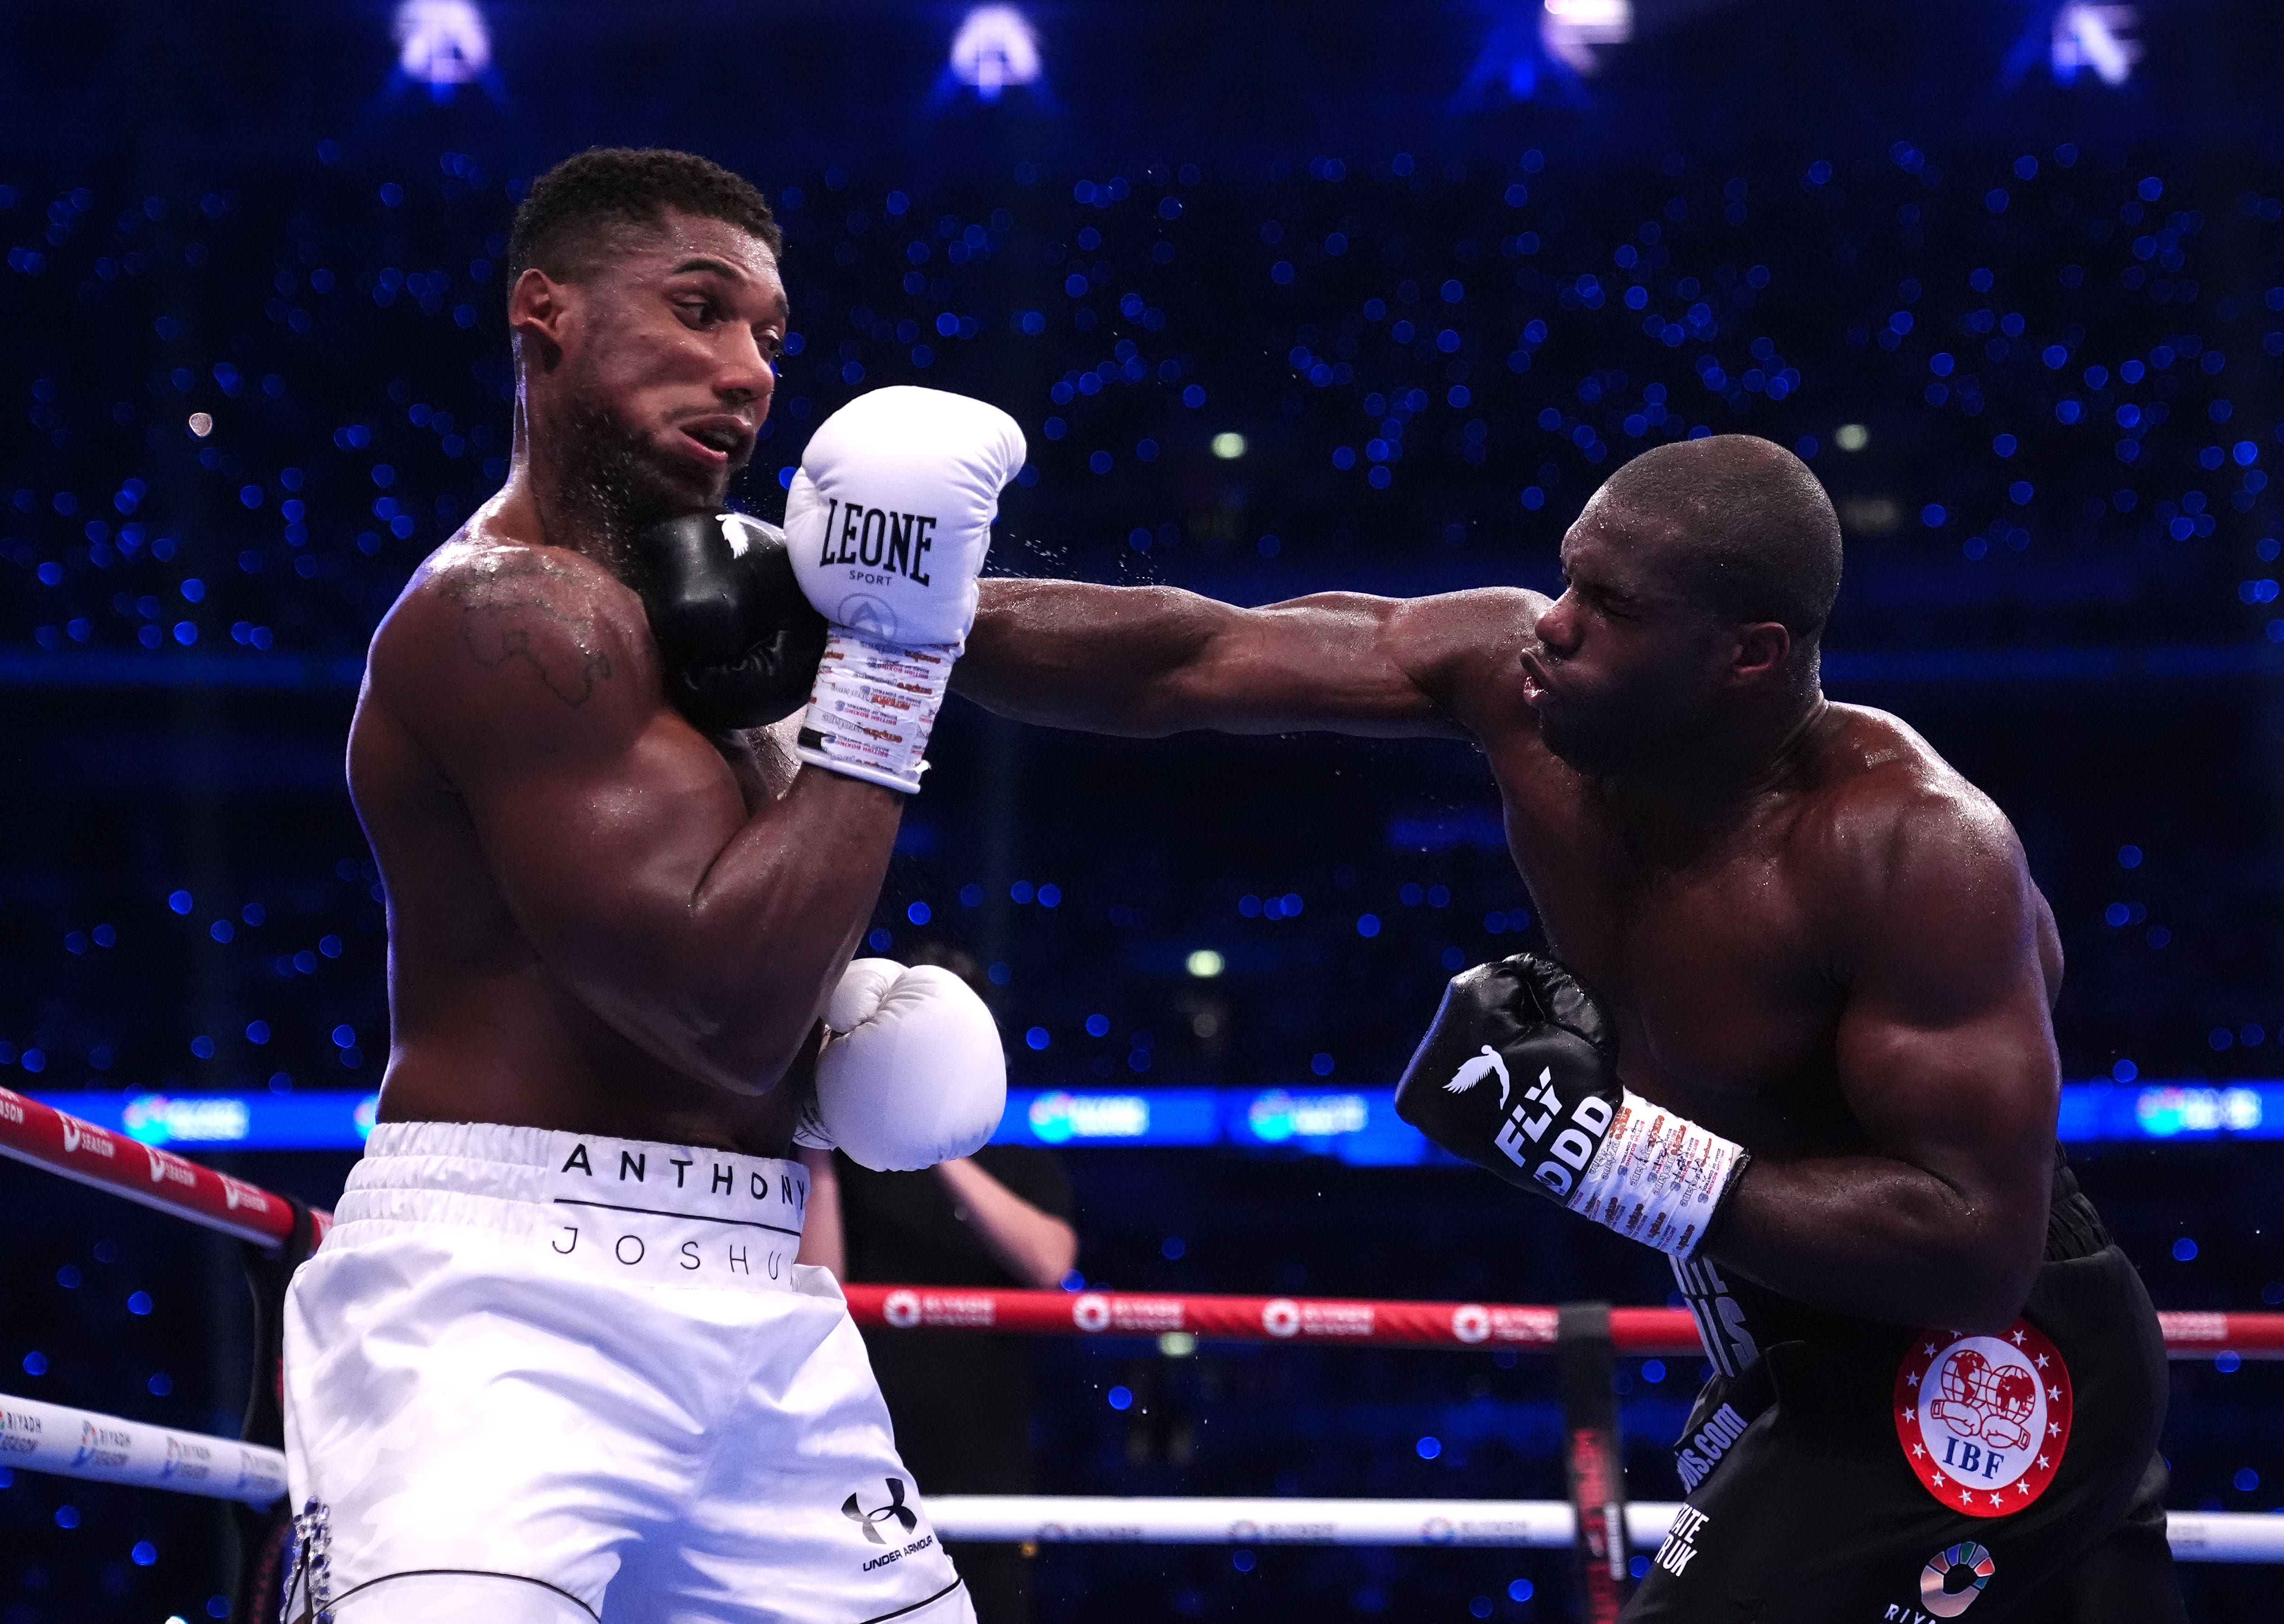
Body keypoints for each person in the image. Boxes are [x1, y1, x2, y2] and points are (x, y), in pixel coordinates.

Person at [952, 434, 2183, 1623]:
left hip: (1982, 1364)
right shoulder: (1517, 683)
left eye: (1610, 604)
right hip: (1788, 1329)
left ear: (1745, 656)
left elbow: (1975, 1246)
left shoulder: (1905, 847)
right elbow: (1192, 654)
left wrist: (1609, 1149)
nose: (1551, 620)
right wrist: (881, 627)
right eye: (1565, 575)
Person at [281, 147, 1023, 1623]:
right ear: (542, 314)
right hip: (496, 1309)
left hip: (761, 1305)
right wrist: (891, 669)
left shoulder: (746, 594)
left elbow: (1152, 650)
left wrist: (1456, 663)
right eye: (698, 311)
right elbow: (722, 1011)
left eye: (765, 335)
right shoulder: (504, 615)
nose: (745, 370)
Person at [800, 945, 1077, 1624]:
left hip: (982, 1466)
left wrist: (931, 1132)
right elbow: (818, 1280)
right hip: (856, 1461)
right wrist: (821, 1124)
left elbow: (1048, 1265)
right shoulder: (836, 1162)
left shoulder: (1017, 1167)